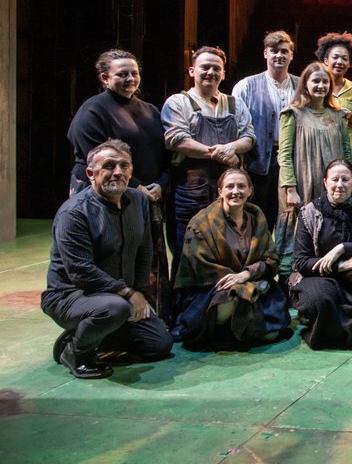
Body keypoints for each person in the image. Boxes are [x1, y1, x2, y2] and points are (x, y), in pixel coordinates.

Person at [41, 140, 173, 379]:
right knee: (114, 309)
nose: (118, 172)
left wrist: (141, 292)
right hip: (71, 294)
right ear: (91, 173)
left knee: (159, 344)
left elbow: (145, 250)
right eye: (109, 166)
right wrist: (128, 294)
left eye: (124, 166)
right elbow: (80, 271)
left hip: (117, 295)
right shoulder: (74, 213)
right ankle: (76, 351)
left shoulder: (139, 200)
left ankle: (85, 334)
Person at [67, 49, 172, 318]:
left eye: (133, 73)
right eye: (121, 74)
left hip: (146, 196)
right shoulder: (93, 110)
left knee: (145, 257)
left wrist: (160, 183)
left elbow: (164, 154)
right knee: (108, 255)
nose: (130, 78)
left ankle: (150, 316)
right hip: (106, 197)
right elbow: (97, 158)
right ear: (104, 78)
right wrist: (137, 187)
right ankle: (104, 319)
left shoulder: (149, 110)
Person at [173, 168, 290, 351]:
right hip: (213, 290)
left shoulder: (257, 220)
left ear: (250, 191)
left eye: (241, 186)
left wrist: (245, 275)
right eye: (230, 186)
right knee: (231, 296)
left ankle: (239, 331)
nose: (236, 191)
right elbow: (200, 265)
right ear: (220, 191)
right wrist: (238, 282)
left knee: (274, 332)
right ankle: (223, 332)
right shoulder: (201, 223)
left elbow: (271, 260)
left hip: (251, 283)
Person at [162, 46, 255, 265]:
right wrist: (219, 153)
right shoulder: (178, 102)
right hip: (190, 187)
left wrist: (232, 148)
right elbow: (177, 140)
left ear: (223, 74)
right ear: (192, 71)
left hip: (229, 188)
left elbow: (249, 137)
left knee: (227, 249)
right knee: (188, 248)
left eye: (217, 68)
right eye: (205, 67)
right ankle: (185, 299)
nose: (211, 72)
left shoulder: (234, 103)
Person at [290, 160, 352, 349]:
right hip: (321, 274)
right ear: (325, 182)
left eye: (346, 179)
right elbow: (302, 261)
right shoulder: (309, 212)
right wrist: (341, 266)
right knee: (320, 299)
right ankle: (331, 336)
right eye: (334, 179)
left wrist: (343, 248)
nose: (340, 185)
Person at [276, 61, 352, 274]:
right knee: (295, 236)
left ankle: (326, 275)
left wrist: (349, 182)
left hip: (331, 186)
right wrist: (290, 188)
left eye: (325, 81)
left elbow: (347, 154)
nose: (321, 85)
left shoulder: (339, 115)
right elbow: (284, 155)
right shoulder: (293, 114)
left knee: (328, 231)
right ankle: (290, 284)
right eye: (316, 81)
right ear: (305, 84)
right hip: (302, 183)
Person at [232, 30, 300, 228]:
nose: (279, 55)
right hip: (258, 161)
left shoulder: (302, 86)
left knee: (288, 219)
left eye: (284, 51)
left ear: (291, 55)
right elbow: (236, 127)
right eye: (274, 51)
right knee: (256, 218)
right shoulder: (245, 86)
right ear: (265, 54)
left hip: (292, 161)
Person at [315, 31, 352, 189]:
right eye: (335, 57)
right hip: (320, 147)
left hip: (349, 149)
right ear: (325, 59)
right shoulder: (315, 88)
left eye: (344, 58)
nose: (339, 62)